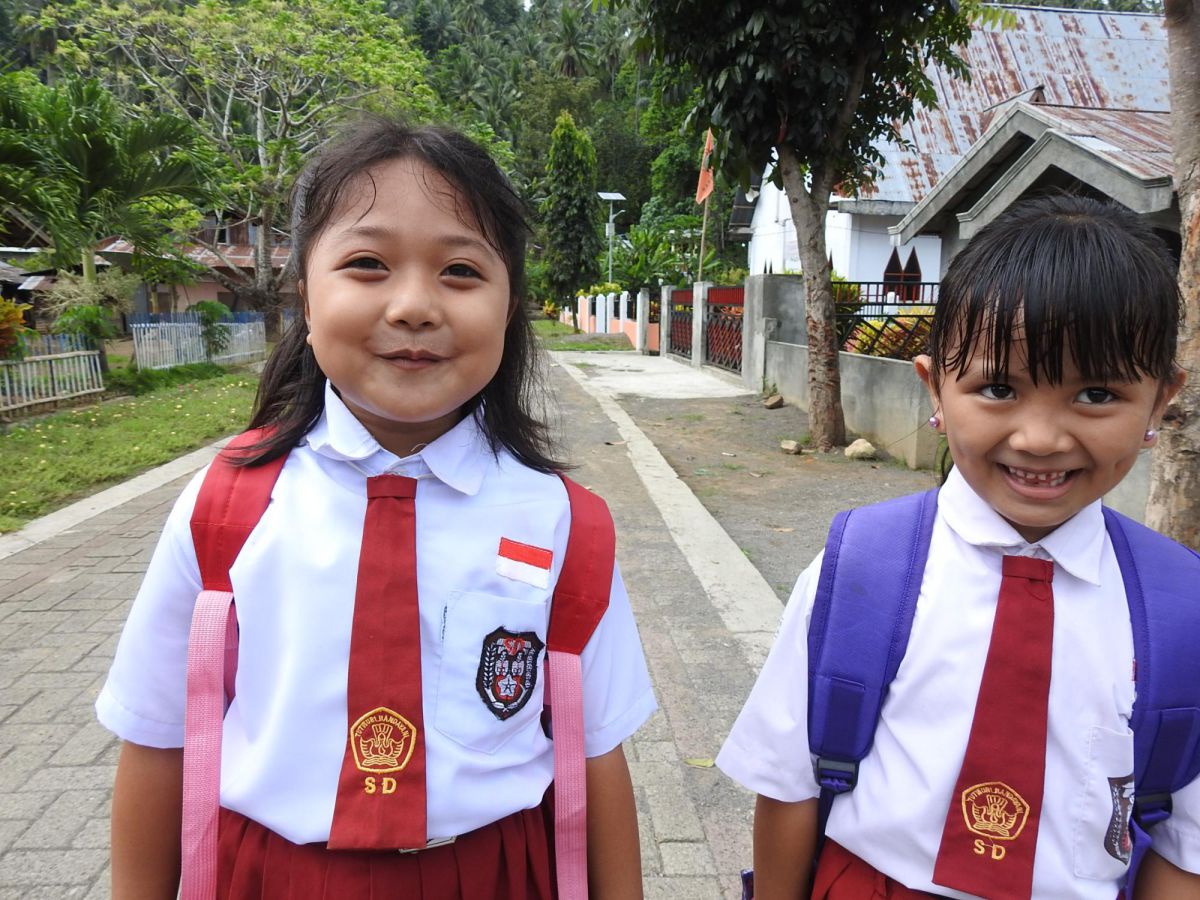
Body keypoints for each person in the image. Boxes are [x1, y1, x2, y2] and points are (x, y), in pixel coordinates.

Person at [97, 119, 656, 899]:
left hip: (494, 876)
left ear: (510, 305)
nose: (414, 306)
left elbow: (596, 752)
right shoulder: (225, 510)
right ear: (305, 294)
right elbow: (158, 739)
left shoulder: (564, 524)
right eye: (367, 264)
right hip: (272, 878)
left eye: (460, 270)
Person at [716, 195, 1200, 899]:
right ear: (935, 389)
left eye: (1096, 394)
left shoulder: (1182, 612)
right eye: (998, 388)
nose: (1040, 438)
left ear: (1160, 400)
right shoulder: (860, 571)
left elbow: (1185, 848)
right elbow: (787, 784)